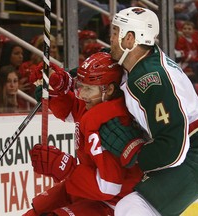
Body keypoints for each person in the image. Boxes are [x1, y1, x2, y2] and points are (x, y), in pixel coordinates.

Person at [98, 7, 198, 216]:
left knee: (133, 208)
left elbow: (172, 145)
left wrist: (135, 155)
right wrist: (66, 81)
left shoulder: (149, 79)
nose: (111, 37)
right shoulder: (141, 62)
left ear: (129, 39)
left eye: (116, 32)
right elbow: (106, 65)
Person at [23, 52, 143, 215]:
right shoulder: (95, 103)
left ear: (109, 89)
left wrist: (64, 167)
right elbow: (71, 110)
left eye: (88, 88)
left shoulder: (112, 123)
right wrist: (54, 87)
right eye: (81, 86)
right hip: (88, 190)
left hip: (115, 205)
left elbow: (109, 186)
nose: (83, 94)